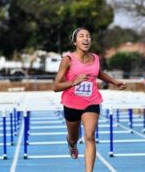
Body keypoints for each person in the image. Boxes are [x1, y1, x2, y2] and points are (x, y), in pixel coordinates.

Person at [53, 27, 126, 172]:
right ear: (75, 42)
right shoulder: (68, 60)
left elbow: (98, 73)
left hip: (91, 102)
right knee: (74, 137)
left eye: (88, 36)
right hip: (71, 103)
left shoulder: (95, 58)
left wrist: (114, 81)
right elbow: (56, 86)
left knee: (90, 136)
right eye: (81, 36)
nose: (86, 38)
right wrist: (73, 82)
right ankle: (71, 143)